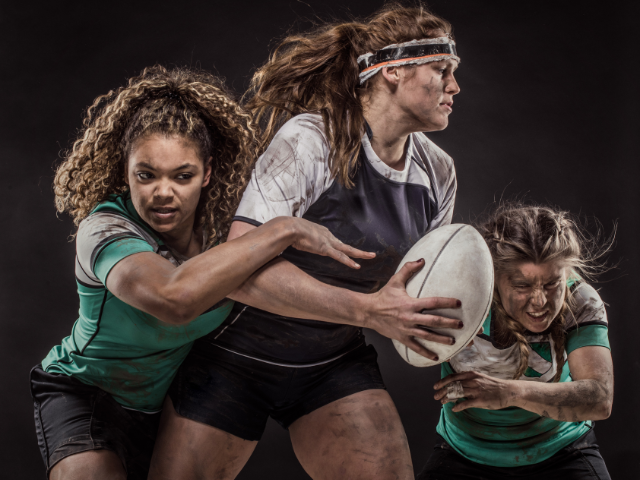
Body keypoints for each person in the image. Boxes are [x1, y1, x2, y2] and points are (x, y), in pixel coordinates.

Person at [151, 4, 463, 479]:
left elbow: (425, 290)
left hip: (331, 364)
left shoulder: (437, 171)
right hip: (236, 357)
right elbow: (240, 274)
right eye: (442, 70)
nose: (454, 87)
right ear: (394, 70)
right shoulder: (311, 140)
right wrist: (368, 311)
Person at [30, 65, 377, 480]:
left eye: (183, 176)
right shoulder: (104, 229)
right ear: (125, 171)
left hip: (165, 404)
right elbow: (173, 299)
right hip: (88, 392)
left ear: (207, 173)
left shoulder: (227, 233)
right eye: (146, 175)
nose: (163, 191)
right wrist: (283, 228)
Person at [418, 204, 614, 479]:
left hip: (561, 450)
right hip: (464, 452)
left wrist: (509, 393)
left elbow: (600, 398)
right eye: (522, 286)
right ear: (494, 276)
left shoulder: (580, 299)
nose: (540, 301)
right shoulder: (461, 295)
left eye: (551, 284)